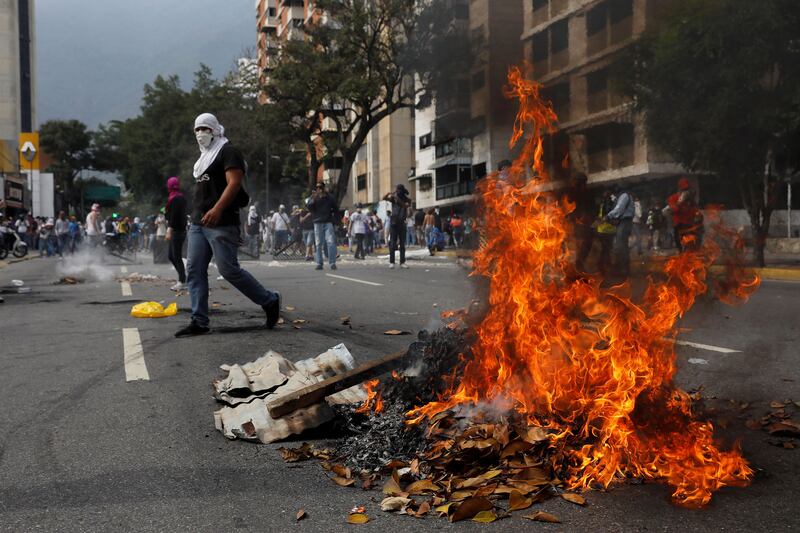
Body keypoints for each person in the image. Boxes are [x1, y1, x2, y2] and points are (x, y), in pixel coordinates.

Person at [176, 112, 280, 337]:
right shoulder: (202, 159)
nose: (201, 133)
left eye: (205, 128)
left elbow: (234, 183)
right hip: (198, 222)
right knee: (194, 270)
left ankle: (269, 300)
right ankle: (199, 321)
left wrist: (217, 209)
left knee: (228, 270)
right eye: (197, 129)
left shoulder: (228, 151)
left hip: (221, 221)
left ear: (215, 130)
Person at [566, 173, 596, 273]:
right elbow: (572, 207)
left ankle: (579, 265)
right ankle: (577, 266)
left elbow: (591, 208)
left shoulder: (586, 193)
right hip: (579, 223)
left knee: (585, 244)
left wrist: (591, 219)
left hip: (585, 223)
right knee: (581, 244)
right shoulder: (575, 193)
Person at [306, 181, 339, 271]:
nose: (318, 189)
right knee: (318, 243)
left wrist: (336, 222)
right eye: (317, 187)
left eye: (320, 187)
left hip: (328, 222)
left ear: (324, 188)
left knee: (331, 242)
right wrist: (313, 199)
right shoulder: (314, 197)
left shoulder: (330, 198)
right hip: (317, 222)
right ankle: (319, 263)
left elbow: (336, 210)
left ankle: (332, 263)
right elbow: (309, 207)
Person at [666, 177, 703, 251]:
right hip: (679, 224)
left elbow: (696, 210)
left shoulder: (691, 200)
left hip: (690, 223)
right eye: (684, 190)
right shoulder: (673, 198)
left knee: (694, 241)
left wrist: (698, 215)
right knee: (680, 243)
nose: (686, 191)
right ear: (679, 189)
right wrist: (680, 202)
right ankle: (681, 252)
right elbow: (673, 210)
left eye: (687, 189)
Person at [605, 185, 635, 278]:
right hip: (623, 222)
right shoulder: (621, 196)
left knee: (621, 246)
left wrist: (608, 216)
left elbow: (619, 209)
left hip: (625, 222)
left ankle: (623, 269)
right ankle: (621, 268)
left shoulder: (624, 195)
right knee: (620, 245)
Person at [165, 176, 188, 291]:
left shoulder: (176, 198)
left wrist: (169, 230)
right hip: (178, 230)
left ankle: (182, 281)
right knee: (171, 256)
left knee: (176, 256)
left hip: (177, 231)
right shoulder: (177, 197)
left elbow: (174, 216)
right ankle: (183, 278)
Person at [383, 184, 412, 269]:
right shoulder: (393, 198)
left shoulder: (407, 199)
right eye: (397, 190)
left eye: (399, 190)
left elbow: (404, 205)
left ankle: (402, 262)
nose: (398, 192)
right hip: (394, 223)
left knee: (402, 244)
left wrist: (396, 198)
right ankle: (392, 262)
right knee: (392, 244)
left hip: (402, 223)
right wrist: (389, 193)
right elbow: (384, 198)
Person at [596, 191, 617, 276]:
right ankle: (603, 265)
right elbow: (606, 217)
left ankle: (604, 264)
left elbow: (599, 216)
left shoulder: (602, 204)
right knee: (606, 248)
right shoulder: (609, 204)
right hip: (607, 230)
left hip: (603, 230)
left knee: (605, 248)